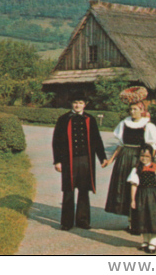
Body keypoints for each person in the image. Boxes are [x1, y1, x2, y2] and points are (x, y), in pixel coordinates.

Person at [104, 86, 156, 227]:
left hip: (139, 158)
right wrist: (111, 159)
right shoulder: (124, 123)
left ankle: (139, 219)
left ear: (142, 110)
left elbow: (152, 146)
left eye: (135, 109)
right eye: (130, 109)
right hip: (125, 158)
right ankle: (130, 220)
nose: (132, 112)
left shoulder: (147, 125)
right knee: (125, 187)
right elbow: (120, 144)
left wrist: (152, 163)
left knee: (139, 187)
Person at [51, 92, 107, 230]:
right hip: (69, 160)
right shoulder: (63, 119)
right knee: (68, 191)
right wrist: (57, 161)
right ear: (71, 104)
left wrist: (102, 157)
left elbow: (97, 140)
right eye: (75, 102)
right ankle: (67, 222)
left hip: (85, 160)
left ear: (85, 104)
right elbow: (56, 141)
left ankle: (83, 220)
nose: (78, 105)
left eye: (81, 103)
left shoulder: (90, 119)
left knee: (84, 190)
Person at [128, 143, 156, 254]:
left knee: (153, 218)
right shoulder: (136, 169)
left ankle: (153, 242)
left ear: (151, 156)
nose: (144, 158)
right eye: (142, 156)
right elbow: (134, 185)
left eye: (147, 156)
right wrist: (133, 200)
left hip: (154, 196)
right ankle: (145, 241)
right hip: (141, 196)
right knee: (143, 218)